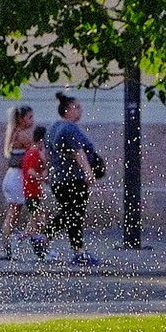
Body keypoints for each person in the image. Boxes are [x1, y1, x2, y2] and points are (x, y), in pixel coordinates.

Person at [44, 92, 106, 267]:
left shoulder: (53, 128)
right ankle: (51, 239)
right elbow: (78, 153)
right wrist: (89, 174)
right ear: (67, 110)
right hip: (73, 179)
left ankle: (68, 247)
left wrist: (49, 173)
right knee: (74, 214)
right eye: (77, 107)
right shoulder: (69, 128)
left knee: (69, 213)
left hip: (59, 179)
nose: (80, 110)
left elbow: (48, 155)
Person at [0, 103, 35, 260]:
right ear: (21, 119)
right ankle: (14, 241)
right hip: (17, 177)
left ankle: (8, 244)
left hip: (13, 176)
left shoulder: (15, 133)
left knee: (14, 212)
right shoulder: (22, 136)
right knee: (15, 212)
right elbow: (35, 150)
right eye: (30, 117)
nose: (33, 120)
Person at [17, 126, 50, 261]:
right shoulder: (33, 153)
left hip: (33, 192)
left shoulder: (33, 152)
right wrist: (42, 178)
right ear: (41, 139)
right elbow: (31, 171)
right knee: (39, 220)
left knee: (35, 220)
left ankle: (23, 239)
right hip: (32, 192)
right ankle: (38, 246)